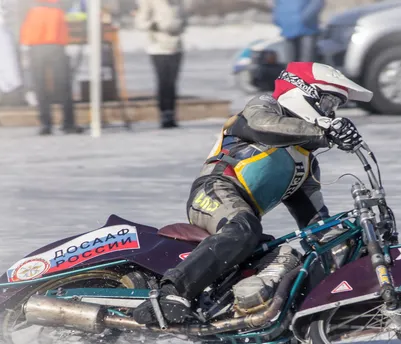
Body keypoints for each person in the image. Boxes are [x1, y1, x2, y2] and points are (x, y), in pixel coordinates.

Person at [133, 62, 373, 325]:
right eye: (328, 103)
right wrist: (322, 131)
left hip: (243, 216)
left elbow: (315, 224)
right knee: (244, 228)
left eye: (336, 108)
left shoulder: (305, 164)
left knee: (285, 259)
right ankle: (171, 293)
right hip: (214, 190)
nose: (331, 113)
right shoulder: (263, 107)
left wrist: (348, 244)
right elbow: (263, 126)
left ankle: (264, 322)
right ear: (303, 90)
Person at [20, 0, 83, 135]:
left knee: (61, 83)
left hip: (53, 39)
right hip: (39, 39)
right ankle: (48, 123)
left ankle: (64, 122)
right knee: (42, 85)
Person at [135, 0, 186, 129]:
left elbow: (184, 19)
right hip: (158, 47)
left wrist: (178, 26)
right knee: (163, 81)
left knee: (172, 82)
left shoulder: (178, 3)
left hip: (176, 46)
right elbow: (140, 22)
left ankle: (171, 114)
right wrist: (155, 26)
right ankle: (165, 114)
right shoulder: (151, 2)